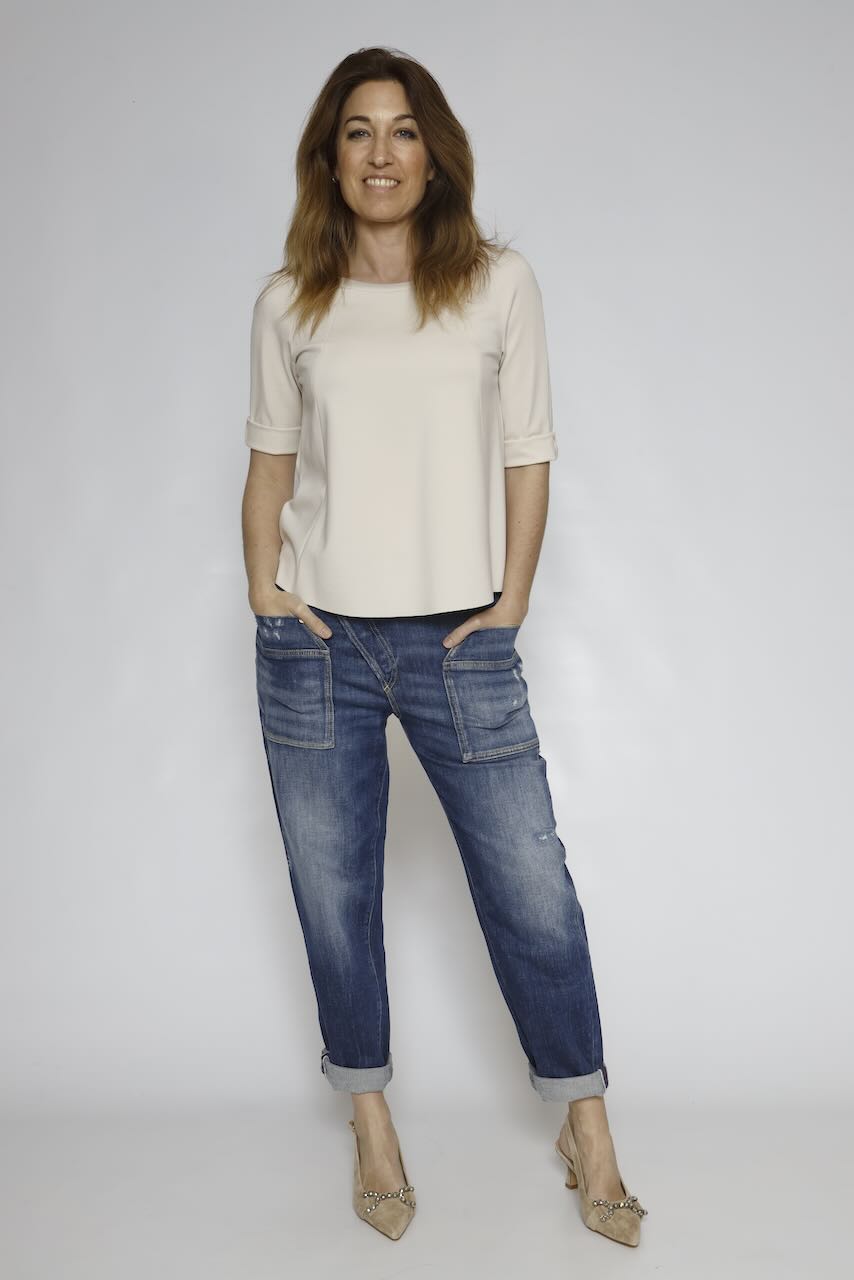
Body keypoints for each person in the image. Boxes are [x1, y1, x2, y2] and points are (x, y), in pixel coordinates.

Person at [240, 46, 648, 1246]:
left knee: (528, 885)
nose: (381, 153)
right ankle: (369, 1120)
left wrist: (509, 600)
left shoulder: (495, 284)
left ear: (435, 154)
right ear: (329, 158)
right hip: (316, 641)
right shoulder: (289, 301)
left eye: (403, 129)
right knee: (333, 891)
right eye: (357, 131)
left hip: (456, 638)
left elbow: (528, 452)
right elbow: (267, 464)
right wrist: (264, 590)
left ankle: (586, 1130)